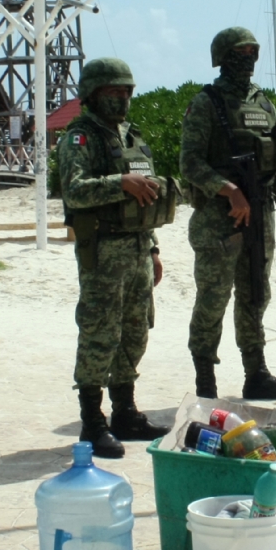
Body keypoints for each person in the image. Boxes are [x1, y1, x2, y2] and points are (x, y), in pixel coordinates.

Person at [59, 58, 177, 458]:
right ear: (92, 94)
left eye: (127, 91)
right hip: (104, 253)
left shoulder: (133, 136)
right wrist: (119, 182)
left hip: (139, 249)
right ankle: (93, 421)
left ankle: (126, 412)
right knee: (99, 335)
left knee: (135, 333)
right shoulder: (80, 137)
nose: (122, 99)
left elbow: (146, 197)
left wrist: (154, 248)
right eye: (113, 92)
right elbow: (74, 190)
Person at [180, 27, 276, 401]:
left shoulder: (263, 104)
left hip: (261, 215)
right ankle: (205, 378)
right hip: (220, 219)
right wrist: (228, 189)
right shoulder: (208, 102)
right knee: (214, 297)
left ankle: (256, 373)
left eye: (252, 50)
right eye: (239, 51)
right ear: (223, 56)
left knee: (255, 295)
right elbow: (189, 163)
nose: (247, 57)